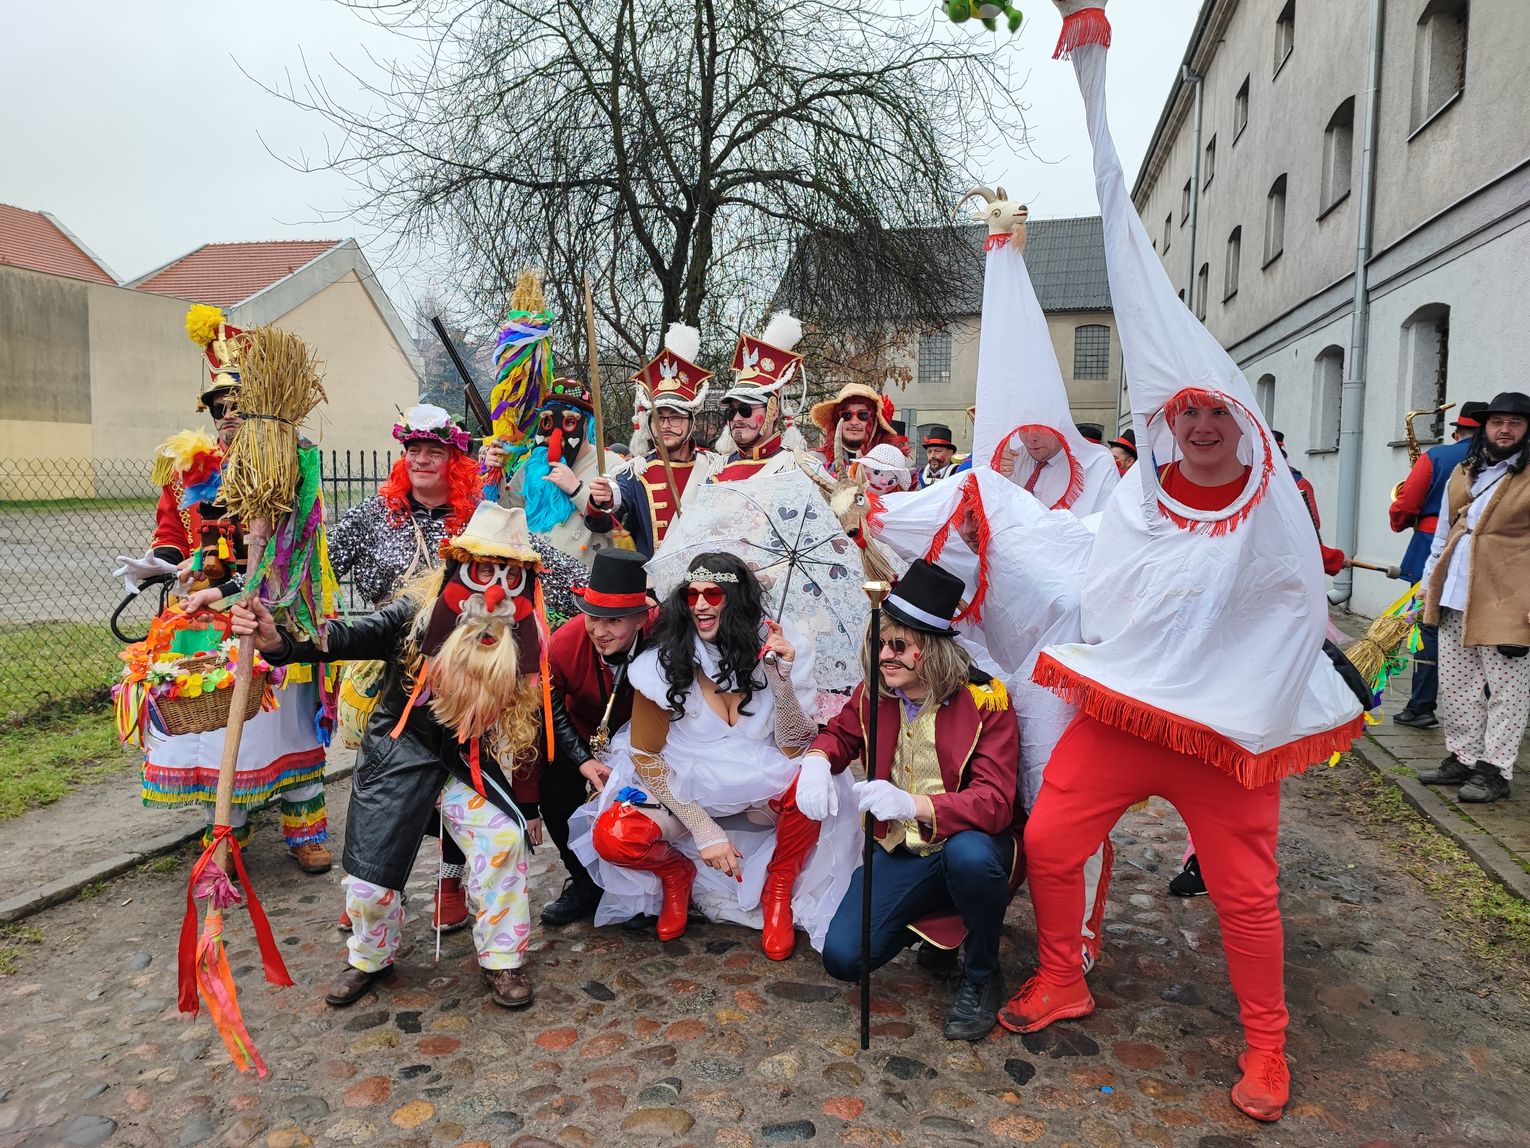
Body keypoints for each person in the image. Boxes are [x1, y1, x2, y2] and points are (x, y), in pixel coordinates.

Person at [1008, 10, 1367, 1121]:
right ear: (1166, 423)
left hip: (1227, 724)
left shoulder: (1271, 508)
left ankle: (1268, 1047)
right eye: (1185, 412)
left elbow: (1290, 603)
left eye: (1217, 411)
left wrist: (1255, 682)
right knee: (1047, 838)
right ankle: (1063, 974)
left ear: (1241, 420)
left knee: (1246, 893)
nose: (1201, 425)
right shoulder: (1139, 497)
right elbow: (1095, 571)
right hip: (1130, 707)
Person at [235, 502, 548, 1008]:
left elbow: (543, 710)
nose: (495, 587)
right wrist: (278, 642)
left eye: (510, 574)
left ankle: (502, 959)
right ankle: (369, 957)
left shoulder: (523, 631)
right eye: (485, 569)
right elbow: (344, 638)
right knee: (369, 883)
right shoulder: (413, 615)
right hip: (399, 753)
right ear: (460, 566)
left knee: (503, 840)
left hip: (464, 764)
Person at [568, 552, 859, 958]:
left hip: (763, 777)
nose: (701, 604)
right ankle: (676, 873)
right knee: (615, 837)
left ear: (736, 600)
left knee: (816, 784)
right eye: (692, 595)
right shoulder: (661, 662)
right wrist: (704, 830)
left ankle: (778, 889)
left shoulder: (783, 649)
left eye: (713, 594)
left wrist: (781, 680)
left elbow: (795, 747)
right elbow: (645, 756)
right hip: (686, 780)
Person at [135, 305, 331, 873]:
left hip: (276, 612)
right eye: (218, 408)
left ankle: (304, 830)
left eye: (237, 406)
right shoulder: (189, 468)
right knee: (221, 728)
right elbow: (172, 532)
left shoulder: (292, 467)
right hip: (208, 615)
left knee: (286, 721)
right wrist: (165, 562)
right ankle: (227, 828)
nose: (226, 417)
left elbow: (295, 548)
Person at [813, 560, 1022, 1041]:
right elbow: (839, 735)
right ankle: (940, 924)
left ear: (930, 649)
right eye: (880, 643)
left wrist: (915, 806)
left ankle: (982, 973)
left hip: (968, 845)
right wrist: (818, 761)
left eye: (898, 646)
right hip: (901, 850)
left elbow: (995, 803)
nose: (885, 655)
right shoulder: (876, 692)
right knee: (843, 958)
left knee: (970, 859)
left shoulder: (985, 700)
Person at [1417, 392, 1530, 805]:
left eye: (1515, 423)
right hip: (1454, 595)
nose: (1505, 429)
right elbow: (1444, 533)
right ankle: (1463, 758)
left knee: (1507, 690)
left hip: (1508, 599)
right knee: (1456, 686)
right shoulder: (1467, 471)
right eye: (1497, 422)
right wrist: (1428, 584)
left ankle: (1495, 769)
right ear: (1484, 427)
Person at [541, 549, 654, 925]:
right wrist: (582, 759)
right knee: (554, 785)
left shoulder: (665, 634)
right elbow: (548, 709)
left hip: (648, 739)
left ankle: (644, 885)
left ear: (641, 617)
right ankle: (584, 882)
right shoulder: (563, 643)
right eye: (593, 617)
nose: (600, 631)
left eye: (614, 620)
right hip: (582, 735)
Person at [1388, 401, 1486, 729]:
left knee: (1427, 626)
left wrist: (1400, 520)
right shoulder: (1505, 461)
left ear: (1457, 432)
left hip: (1433, 543)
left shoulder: (1437, 456)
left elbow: (1407, 504)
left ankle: (1421, 706)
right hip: (1486, 552)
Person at [584, 324, 722, 557]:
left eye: (675, 417)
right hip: (650, 579)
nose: (665, 425)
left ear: (692, 422)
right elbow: (603, 523)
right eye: (659, 417)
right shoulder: (634, 472)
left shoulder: (714, 468)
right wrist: (599, 502)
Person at [489, 379, 612, 568]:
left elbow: (621, 531)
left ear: (586, 424)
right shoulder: (534, 464)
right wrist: (497, 474)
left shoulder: (610, 465)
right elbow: (510, 513)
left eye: (569, 422)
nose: (556, 434)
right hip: (532, 574)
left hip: (583, 581)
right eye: (548, 421)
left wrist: (577, 491)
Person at [709, 313, 808, 483]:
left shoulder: (797, 468)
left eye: (745, 409)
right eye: (730, 412)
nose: (736, 418)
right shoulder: (716, 470)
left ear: (773, 411)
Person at [809, 382, 901, 480]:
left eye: (863, 415)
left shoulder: (896, 466)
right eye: (846, 415)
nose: (854, 422)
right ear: (837, 420)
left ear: (876, 422)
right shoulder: (814, 462)